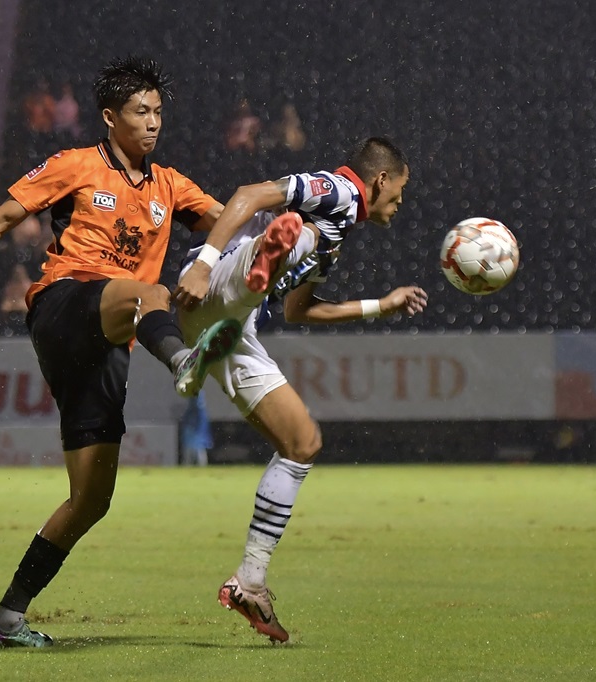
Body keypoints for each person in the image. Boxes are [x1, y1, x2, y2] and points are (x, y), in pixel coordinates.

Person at [0, 56, 242, 648]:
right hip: (64, 305)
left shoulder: (172, 185)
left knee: (91, 499)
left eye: (158, 113)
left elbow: (233, 223)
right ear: (109, 117)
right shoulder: (75, 166)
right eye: (140, 112)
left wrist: (293, 236)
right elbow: (1, 217)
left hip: (113, 339)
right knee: (152, 290)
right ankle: (184, 362)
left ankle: (6, 619)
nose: (152, 124)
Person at [176, 137, 428, 643]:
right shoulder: (335, 190)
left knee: (302, 444)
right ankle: (268, 254)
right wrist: (204, 263)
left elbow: (298, 310)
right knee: (294, 237)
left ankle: (250, 579)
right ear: (380, 180)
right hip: (213, 282)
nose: (398, 207)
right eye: (398, 195)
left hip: (231, 326)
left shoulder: (335, 235)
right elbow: (247, 195)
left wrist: (381, 304)